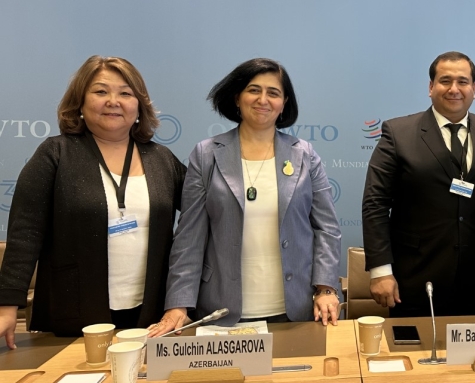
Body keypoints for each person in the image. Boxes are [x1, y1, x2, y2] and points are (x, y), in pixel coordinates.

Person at [0, 56, 186, 349]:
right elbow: (25, 233)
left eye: (125, 93)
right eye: (101, 91)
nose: (113, 101)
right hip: (74, 314)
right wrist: (7, 306)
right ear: (80, 103)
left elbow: (203, 218)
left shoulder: (161, 159)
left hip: (152, 317)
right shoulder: (55, 153)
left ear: (139, 106)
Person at [149, 58, 341, 336]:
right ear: (237, 97)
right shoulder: (206, 155)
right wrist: (178, 304)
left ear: (284, 103)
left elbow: (327, 228)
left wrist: (325, 288)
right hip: (221, 312)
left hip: (296, 310)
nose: (263, 99)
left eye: (273, 93)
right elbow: (189, 236)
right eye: (254, 90)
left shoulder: (305, 155)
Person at [362, 51, 475, 317]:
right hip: (413, 280)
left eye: (462, 81)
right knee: (413, 344)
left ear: (474, 89)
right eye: (445, 81)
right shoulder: (398, 133)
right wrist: (381, 271)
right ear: (431, 87)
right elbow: (375, 204)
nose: (454, 89)